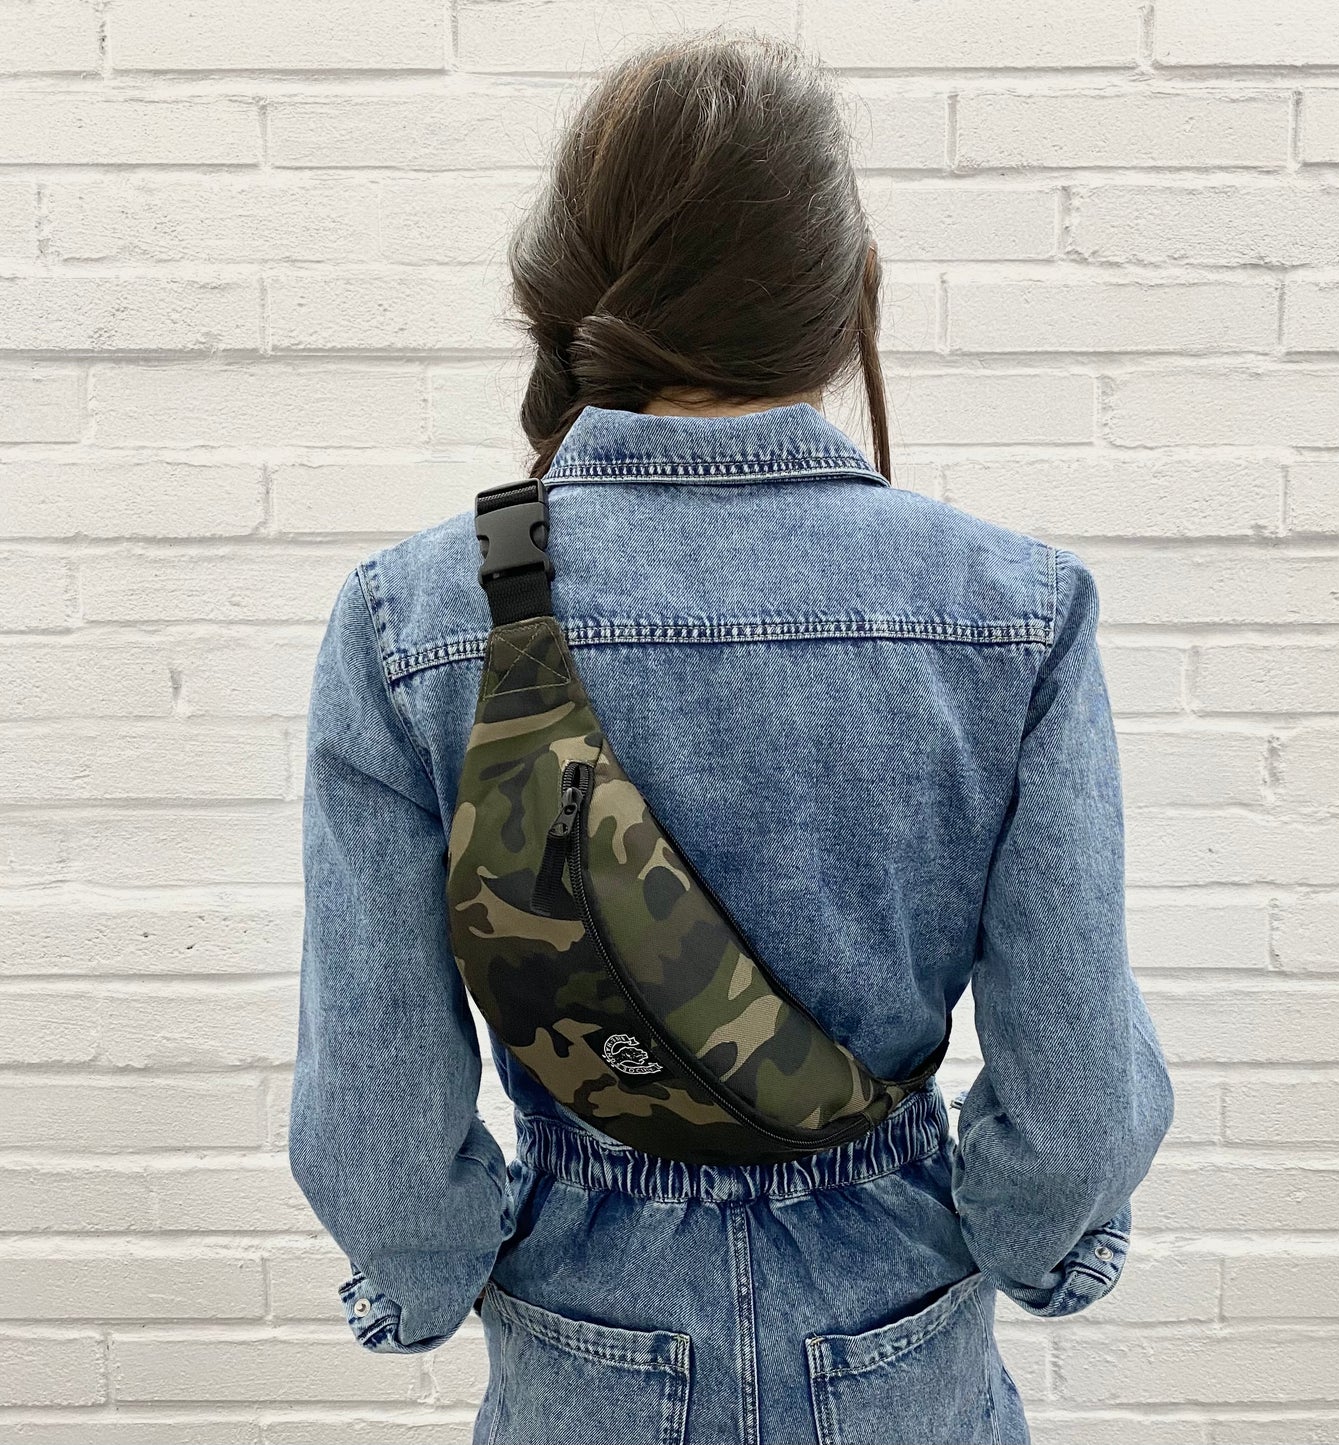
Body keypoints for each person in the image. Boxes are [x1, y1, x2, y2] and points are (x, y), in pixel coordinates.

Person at [288, 30, 1174, 1445]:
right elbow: (1074, 1112)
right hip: (899, 1338)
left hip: (584, 1346)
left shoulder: (414, 618)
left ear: (570, 291)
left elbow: (376, 1133)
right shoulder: (1011, 611)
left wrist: (430, 1273)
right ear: (841, 297)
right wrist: (1027, 1243)